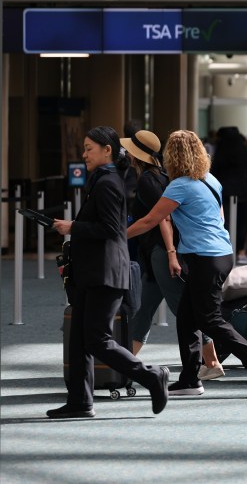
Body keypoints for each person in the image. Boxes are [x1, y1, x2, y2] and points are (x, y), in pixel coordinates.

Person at [127, 130, 247, 398]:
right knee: (186, 318)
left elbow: (152, 220)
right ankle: (189, 379)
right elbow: (218, 218)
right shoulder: (211, 180)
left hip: (206, 258)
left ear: (172, 156)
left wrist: (116, 235)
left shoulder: (179, 185)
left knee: (209, 319)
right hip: (219, 254)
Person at [49, 126, 170, 419]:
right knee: (78, 338)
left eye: (90, 148)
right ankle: (80, 401)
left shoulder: (107, 183)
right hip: (93, 272)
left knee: (97, 339)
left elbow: (111, 230)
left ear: (107, 151)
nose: (84, 153)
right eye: (84, 147)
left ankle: (152, 376)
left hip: (106, 273)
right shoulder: (103, 180)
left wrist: (72, 227)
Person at [123, 130, 224, 381]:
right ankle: (124, 364)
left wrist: (170, 253)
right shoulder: (166, 176)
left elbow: (161, 219)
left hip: (161, 254)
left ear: (136, 155)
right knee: (144, 309)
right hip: (157, 255)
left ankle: (211, 361)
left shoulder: (148, 180)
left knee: (185, 309)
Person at [210, 126, 247, 265]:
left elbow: (214, 171)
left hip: (223, 192)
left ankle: (225, 250)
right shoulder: (244, 151)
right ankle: (241, 252)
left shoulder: (220, 151)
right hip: (243, 191)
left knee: (224, 222)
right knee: (241, 223)